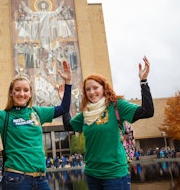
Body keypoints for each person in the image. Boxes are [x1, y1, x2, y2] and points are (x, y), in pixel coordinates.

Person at [0, 60, 72, 190]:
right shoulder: (3, 116)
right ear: (11, 92)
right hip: (16, 179)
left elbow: (64, 108)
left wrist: (68, 83)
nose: (22, 93)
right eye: (17, 90)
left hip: (40, 179)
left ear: (30, 93)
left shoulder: (38, 112)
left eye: (26, 90)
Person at [61, 56, 154, 190]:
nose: (92, 92)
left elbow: (147, 111)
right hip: (92, 174)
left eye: (95, 88)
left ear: (104, 88)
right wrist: (64, 100)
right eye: (88, 90)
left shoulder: (117, 105)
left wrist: (143, 81)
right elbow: (68, 125)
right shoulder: (86, 112)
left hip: (114, 175)